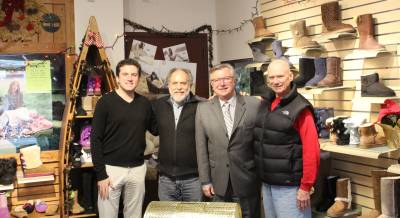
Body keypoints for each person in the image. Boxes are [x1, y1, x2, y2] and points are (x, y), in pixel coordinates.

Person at [254, 59, 320, 218]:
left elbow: (312, 151)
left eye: (280, 76)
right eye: (271, 78)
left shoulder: (300, 108)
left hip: (290, 187)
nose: (276, 81)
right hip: (267, 183)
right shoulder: (266, 102)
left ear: (290, 76)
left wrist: (305, 187)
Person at [90, 58, 156, 218]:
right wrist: (101, 175)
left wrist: (171, 104)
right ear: (117, 78)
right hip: (111, 171)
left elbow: (156, 129)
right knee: (108, 215)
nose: (130, 78)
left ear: (138, 78)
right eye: (125, 74)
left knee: (134, 215)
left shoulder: (144, 104)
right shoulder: (105, 102)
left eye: (134, 74)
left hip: (138, 169)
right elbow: (95, 139)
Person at [196, 64, 260, 218]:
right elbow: (201, 148)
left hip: (247, 180)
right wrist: (205, 181)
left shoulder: (254, 104)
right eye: (216, 80)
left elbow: (260, 143)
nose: (221, 83)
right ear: (212, 84)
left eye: (226, 78)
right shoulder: (203, 109)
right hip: (217, 183)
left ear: (234, 80)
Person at [152, 68, 204, 201]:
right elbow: (152, 128)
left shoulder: (202, 106)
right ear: (168, 85)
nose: (179, 87)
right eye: (175, 83)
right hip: (166, 180)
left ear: (190, 85)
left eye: (183, 83)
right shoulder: (158, 105)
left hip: (193, 180)